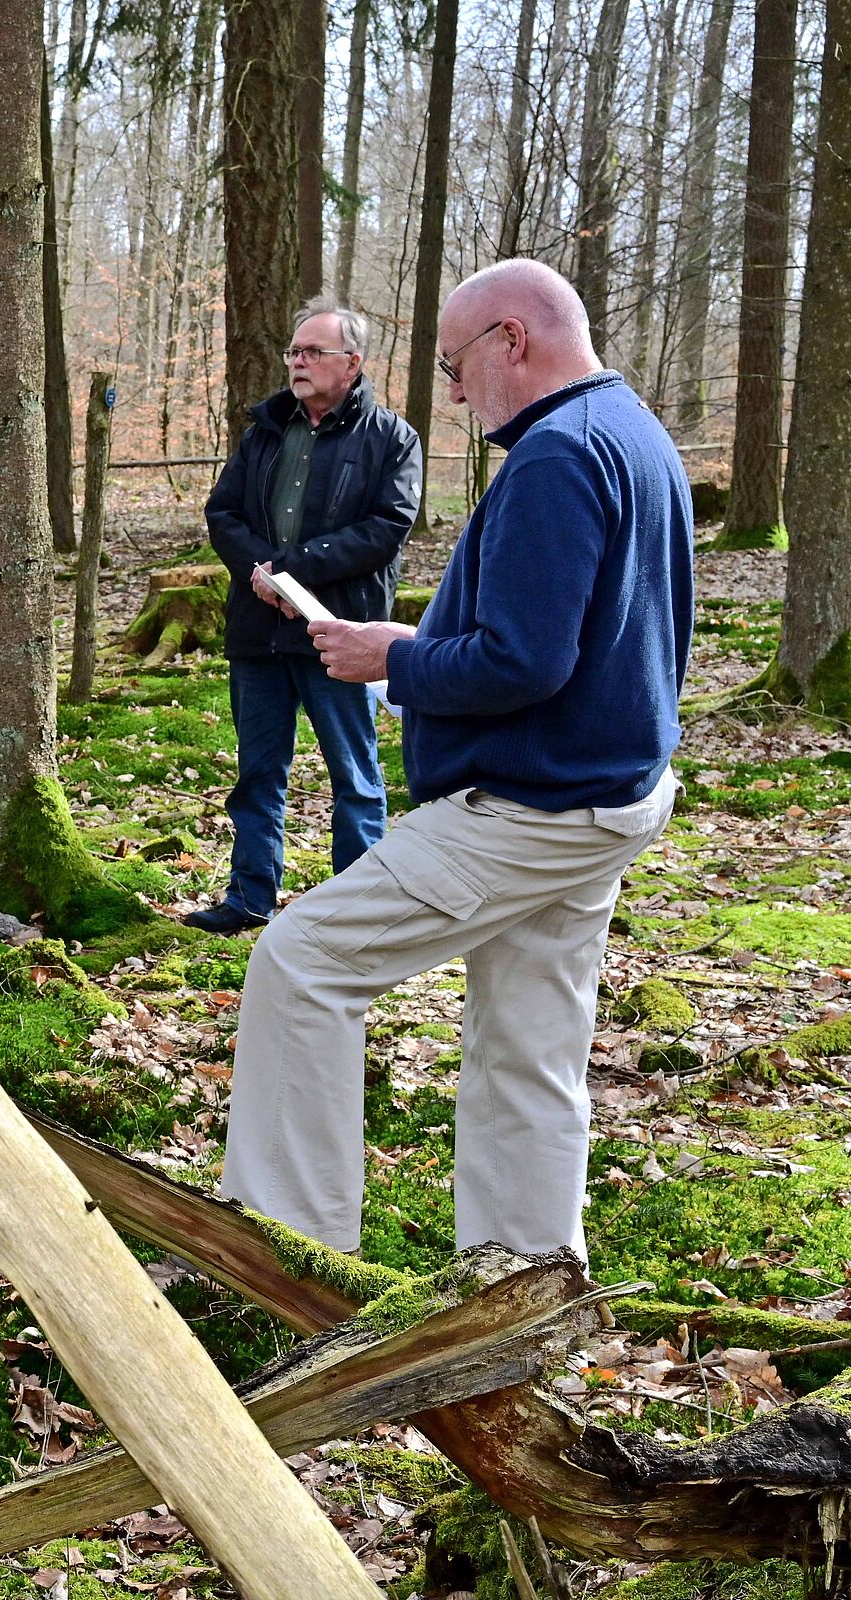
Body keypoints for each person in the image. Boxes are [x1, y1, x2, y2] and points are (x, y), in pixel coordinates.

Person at [218, 259, 692, 1262]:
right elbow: (568, 630)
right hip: (601, 794)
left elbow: (524, 660)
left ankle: (286, 1249)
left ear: (512, 339)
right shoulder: (633, 433)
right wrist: (415, 644)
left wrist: (397, 658)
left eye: (457, 362)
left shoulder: (561, 455)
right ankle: (522, 1277)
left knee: (302, 962)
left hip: (531, 804)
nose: (454, 389)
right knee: (530, 1046)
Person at [188, 297, 420, 935]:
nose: (298, 362)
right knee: (258, 773)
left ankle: (356, 911)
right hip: (258, 630)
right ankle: (249, 898)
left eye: (313, 352)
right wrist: (262, 572)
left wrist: (294, 572)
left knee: (356, 777)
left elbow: (387, 528)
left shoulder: (392, 438)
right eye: (294, 351)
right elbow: (223, 513)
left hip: (339, 635)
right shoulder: (265, 429)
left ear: (353, 361)